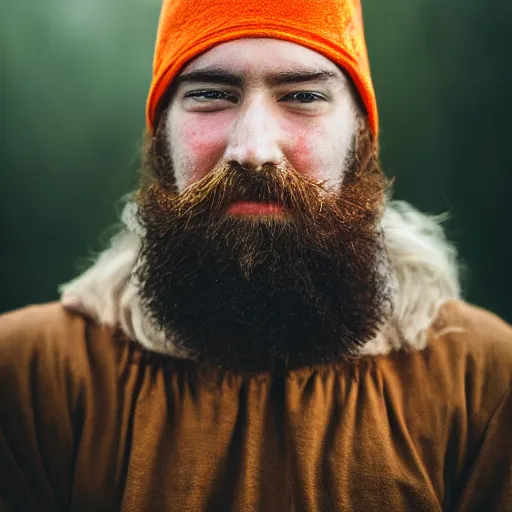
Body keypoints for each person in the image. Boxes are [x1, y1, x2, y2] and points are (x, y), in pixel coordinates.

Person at [1, 0, 511, 510]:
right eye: (209, 95)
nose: (253, 147)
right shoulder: (28, 380)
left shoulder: (486, 386)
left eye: (303, 96)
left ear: (361, 136)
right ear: (160, 137)